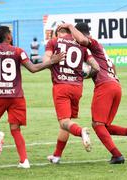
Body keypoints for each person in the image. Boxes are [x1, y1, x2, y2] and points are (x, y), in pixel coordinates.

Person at [0, 26, 65, 168]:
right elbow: (33, 68)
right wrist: (52, 61)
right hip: (17, 96)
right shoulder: (18, 51)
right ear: (8, 37)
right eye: (11, 34)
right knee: (15, 129)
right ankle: (24, 161)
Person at [59, 22, 127, 164]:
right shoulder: (99, 49)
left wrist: (71, 27)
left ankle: (117, 156)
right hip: (115, 85)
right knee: (105, 126)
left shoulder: (91, 43)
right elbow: (111, 66)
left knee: (97, 125)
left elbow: (83, 40)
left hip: (105, 87)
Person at [43, 25, 100, 164]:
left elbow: (45, 62)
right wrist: (82, 75)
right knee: (66, 123)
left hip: (61, 86)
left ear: (59, 32)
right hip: (77, 88)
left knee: (64, 122)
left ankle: (81, 131)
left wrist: (53, 62)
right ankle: (57, 156)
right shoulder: (82, 46)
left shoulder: (54, 42)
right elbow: (96, 67)